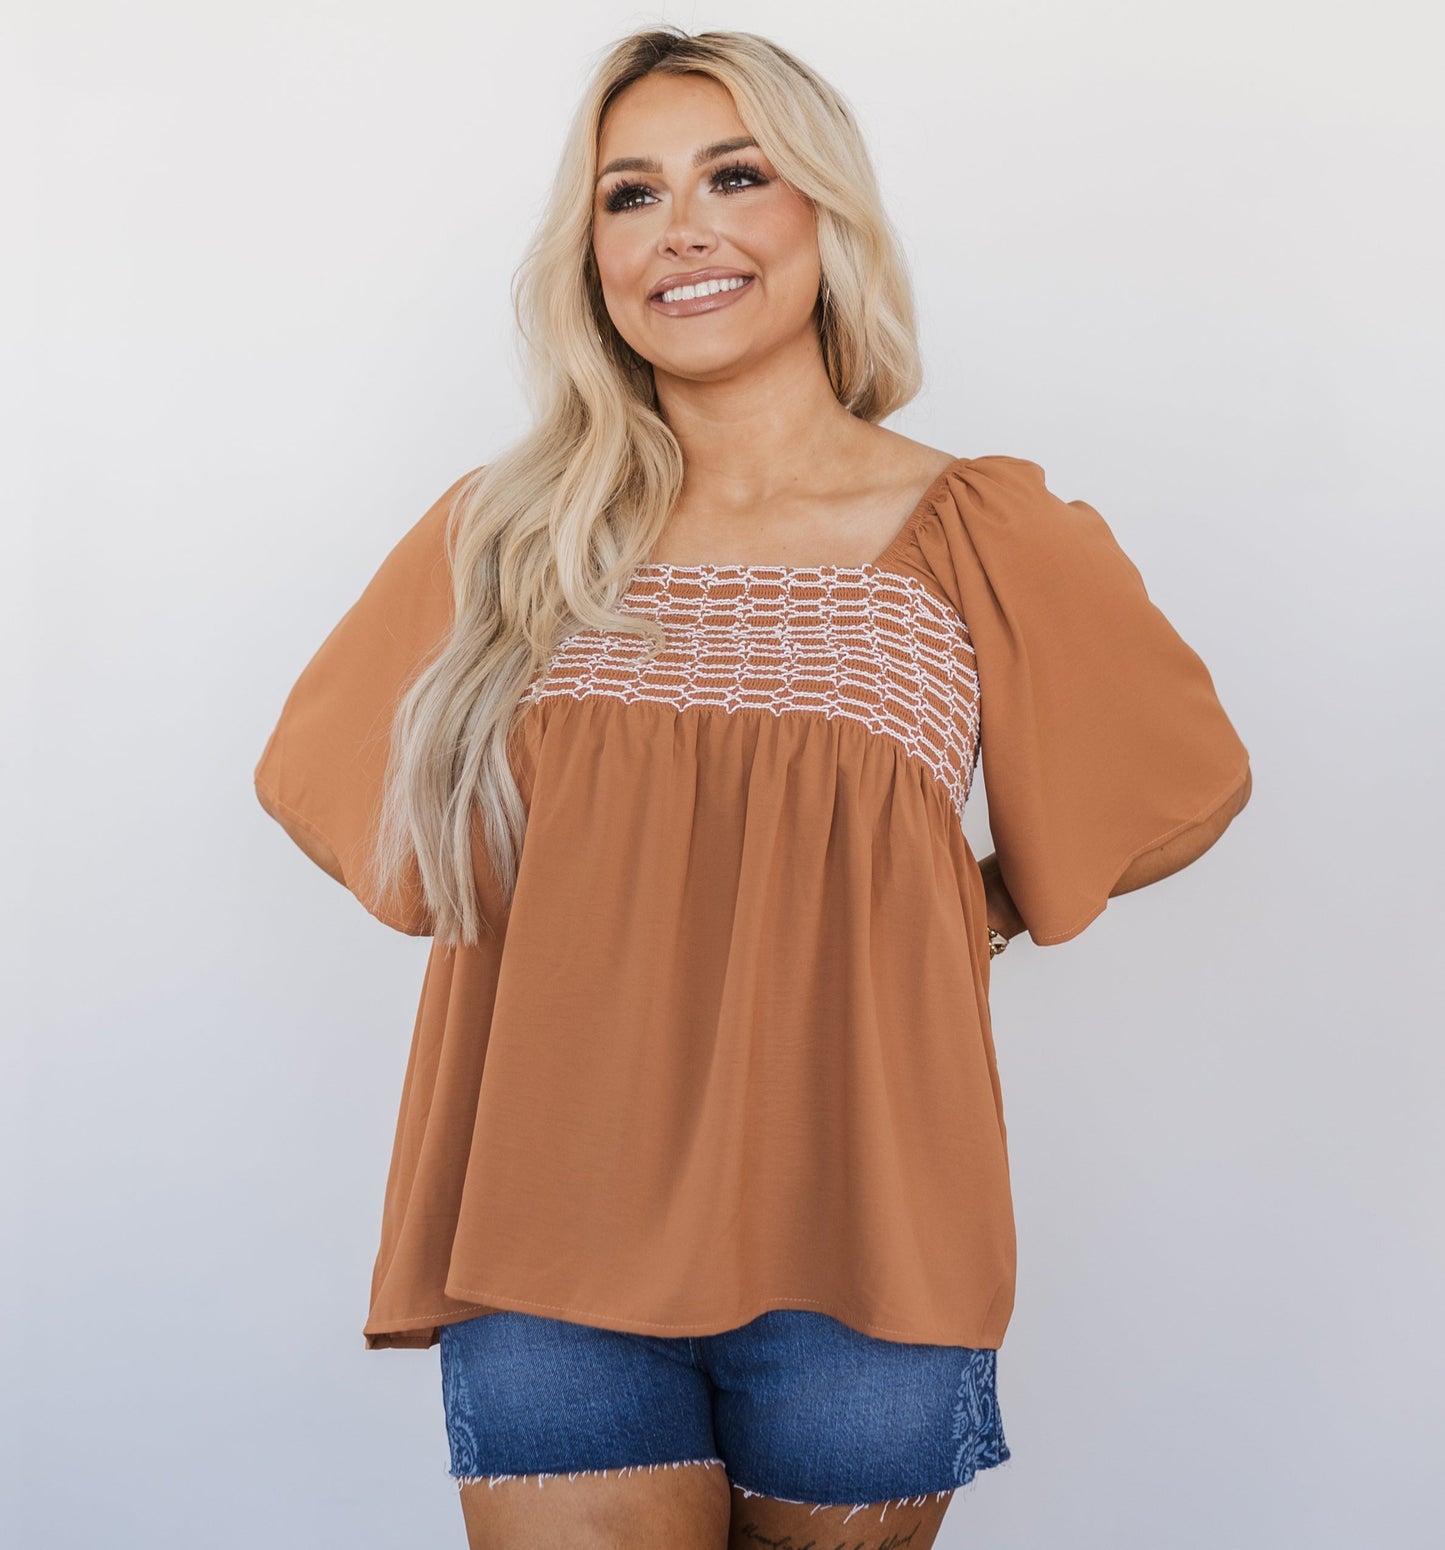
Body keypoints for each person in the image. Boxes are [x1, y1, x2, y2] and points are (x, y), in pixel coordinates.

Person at [253, 25, 1252, 1550]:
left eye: (734, 176)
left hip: (865, 1245)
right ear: (591, 253)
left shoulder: (978, 527)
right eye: (630, 194)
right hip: (546, 1235)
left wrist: (970, 905)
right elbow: (326, 785)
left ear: (824, 213)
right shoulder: (510, 532)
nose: (683, 229)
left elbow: (1180, 783)